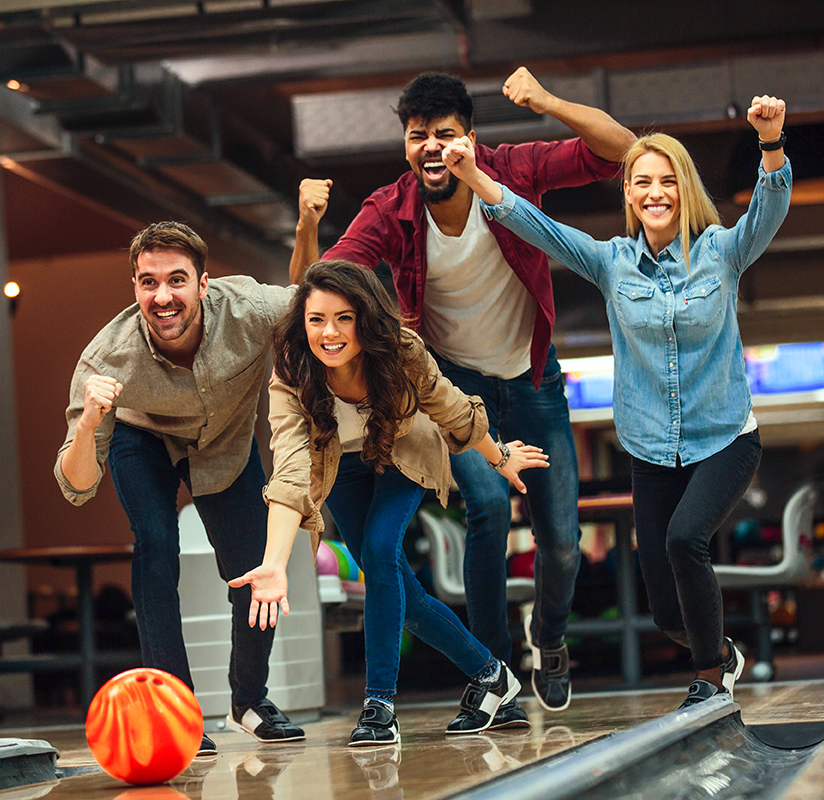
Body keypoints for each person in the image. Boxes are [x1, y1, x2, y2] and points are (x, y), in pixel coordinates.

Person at [290, 68, 636, 722]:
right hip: (457, 387)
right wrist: (307, 223)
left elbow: (620, 149)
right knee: (484, 507)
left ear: (470, 140)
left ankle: (550, 638)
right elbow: (321, 285)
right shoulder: (391, 209)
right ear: (406, 145)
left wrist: (545, 101)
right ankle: (496, 677)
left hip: (533, 380)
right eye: (418, 136)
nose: (431, 148)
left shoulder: (514, 170)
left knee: (561, 538)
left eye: (445, 135)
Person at [443, 95, 791, 707]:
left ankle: (709, 680)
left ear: (683, 189)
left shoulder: (721, 251)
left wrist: (770, 144)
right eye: (641, 182)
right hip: (651, 448)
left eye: (666, 181)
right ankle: (722, 652)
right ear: (628, 193)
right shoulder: (613, 264)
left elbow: (769, 209)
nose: (655, 192)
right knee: (664, 610)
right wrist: (474, 178)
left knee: (687, 539)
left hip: (725, 439)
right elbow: (537, 226)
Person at [229, 260, 549, 745]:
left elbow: (450, 406)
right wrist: (274, 561)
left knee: (380, 553)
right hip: (339, 466)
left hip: (401, 449)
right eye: (316, 320)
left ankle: (379, 706)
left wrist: (499, 455)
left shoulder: (399, 351)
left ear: (364, 317)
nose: (329, 333)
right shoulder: (293, 370)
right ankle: (493, 677)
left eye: (343, 318)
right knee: (405, 594)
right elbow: (291, 468)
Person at [55, 221, 305, 755]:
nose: (163, 296)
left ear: (204, 283)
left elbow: (317, 307)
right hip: (140, 436)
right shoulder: (106, 358)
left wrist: (306, 226)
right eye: (148, 283)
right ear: (136, 289)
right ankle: (177, 711)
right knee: (155, 545)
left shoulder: (251, 309)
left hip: (224, 442)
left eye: (176, 281)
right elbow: (76, 485)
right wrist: (88, 423)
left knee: (251, 564)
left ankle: (250, 700)